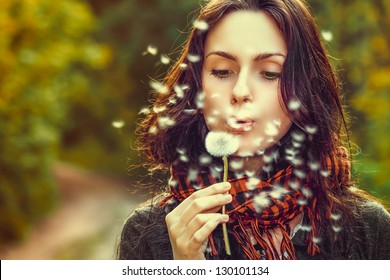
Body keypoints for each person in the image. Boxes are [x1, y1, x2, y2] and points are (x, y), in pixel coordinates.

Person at [118, 0, 390, 260]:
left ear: (305, 88)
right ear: (197, 85)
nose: (240, 92)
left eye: (270, 73)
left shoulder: (367, 229)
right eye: (222, 71)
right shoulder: (151, 233)